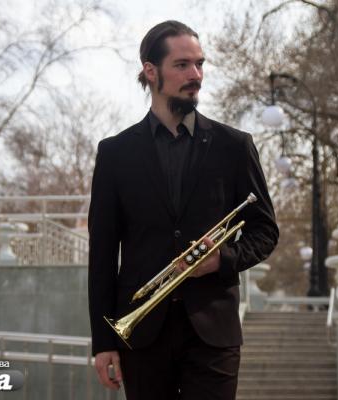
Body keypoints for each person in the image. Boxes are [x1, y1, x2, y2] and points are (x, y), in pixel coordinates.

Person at [88, 20, 279, 400]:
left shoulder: (234, 146)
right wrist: (103, 341)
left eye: (200, 64)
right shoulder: (115, 153)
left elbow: (265, 231)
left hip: (213, 331)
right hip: (141, 333)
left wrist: (222, 258)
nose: (196, 75)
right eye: (182, 65)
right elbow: (103, 254)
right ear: (150, 71)